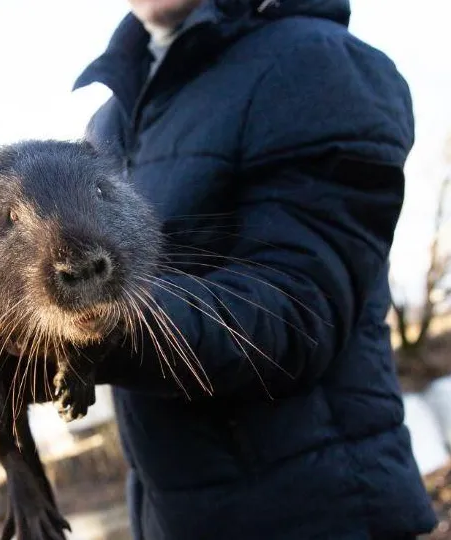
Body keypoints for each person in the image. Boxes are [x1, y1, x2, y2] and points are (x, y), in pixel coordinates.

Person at [72, 0, 439, 538]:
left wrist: (85, 322)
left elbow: (296, 312)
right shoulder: (111, 118)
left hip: (321, 518)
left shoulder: (315, 60)